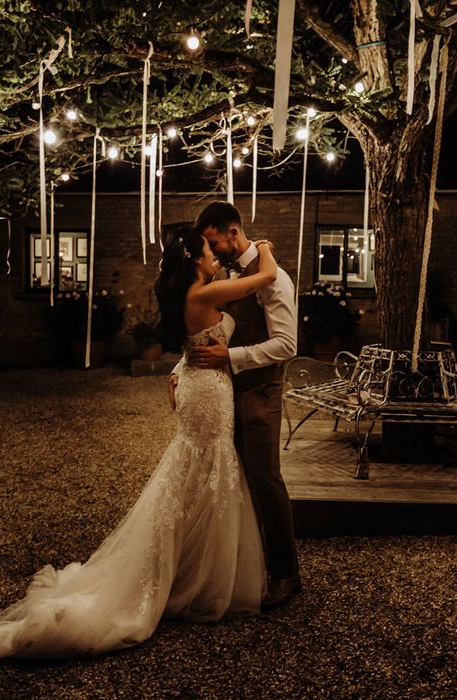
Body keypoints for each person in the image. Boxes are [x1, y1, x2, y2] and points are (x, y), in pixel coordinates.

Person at [0, 226, 278, 659]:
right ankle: (189, 579)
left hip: (206, 387)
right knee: (203, 469)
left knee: (201, 473)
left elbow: (196, 340)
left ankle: (193, 569)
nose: (215, 256)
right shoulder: (201, 295)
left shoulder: (200, 293)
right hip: (209, 394)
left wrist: (178, 370)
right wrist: (266, 248)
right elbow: (266, 277)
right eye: (208, 251)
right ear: (196, 260)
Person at [171, 201, 299, 611]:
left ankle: (286, 573)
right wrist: (178, 370)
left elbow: (287, 345)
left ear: (231, 232)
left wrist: (233, 358)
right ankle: (244, 566)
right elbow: (206, 331)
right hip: (221, 395)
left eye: (212, 242)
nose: (210, 251)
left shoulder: (273, 278)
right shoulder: (222, 277)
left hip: (260, 392)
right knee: (233, 481)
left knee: (265, 480)